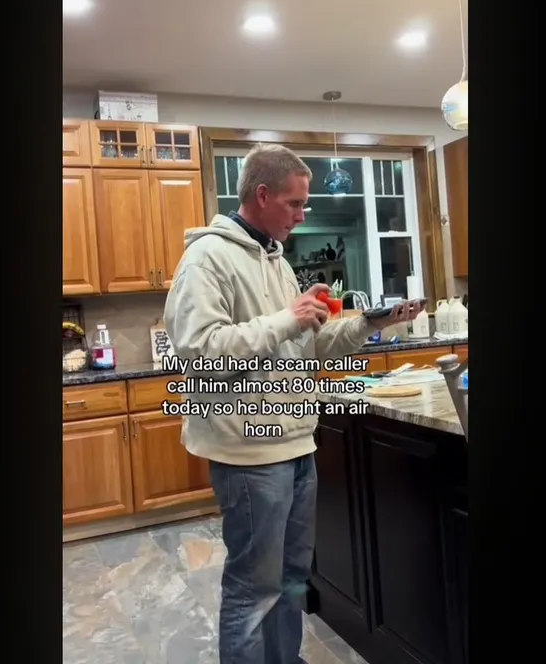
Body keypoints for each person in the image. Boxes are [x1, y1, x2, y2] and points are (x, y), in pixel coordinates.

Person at [162, 143, 421, 664]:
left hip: (297, 443)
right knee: (253, 586)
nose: (303, 215)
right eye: (295, 203)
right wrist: (288, 318)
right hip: (249, 452)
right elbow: (199, 351)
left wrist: (367, 323)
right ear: (262, 195)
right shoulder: (207, 258)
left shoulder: (276, 261)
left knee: (292, 577)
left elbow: (306, 347)